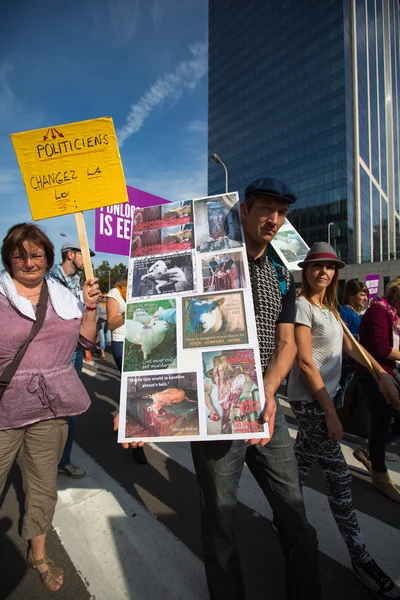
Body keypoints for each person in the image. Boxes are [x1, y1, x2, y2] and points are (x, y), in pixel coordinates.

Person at [191, 178, 322, 600]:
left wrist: (266, 390)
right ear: (244, 210)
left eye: (281, 213)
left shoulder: (283, 273)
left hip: (265, 408)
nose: (274, 219)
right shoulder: (206, 261)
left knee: (295, 514)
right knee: (221, 520)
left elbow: (287, 343)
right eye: (267, 209)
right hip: (217, 411)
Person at [287, 242, 400, 599]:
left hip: (325, 402)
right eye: (317, 266)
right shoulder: (302, 305)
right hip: (312, 404)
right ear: (306, 270)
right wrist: (331, 413)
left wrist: (380, 373)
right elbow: (305, 363)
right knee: (339, 482)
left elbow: (353, 347)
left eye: (330, 266)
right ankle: (361, 557)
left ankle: (284, 514)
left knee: (298, 467)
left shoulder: (331, 308)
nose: (324, 271)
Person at [0, 223, 99, 592]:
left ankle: (37, 553)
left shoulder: (61, 295)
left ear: (48, 258)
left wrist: (90, 306)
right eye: (20, 254)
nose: (29, 261)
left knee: (42, 488)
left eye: (37, 254)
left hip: (49, 410)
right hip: (4, 411)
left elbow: (86, 339)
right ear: (8, 258)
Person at [49, 240, 95, 478]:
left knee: (71, 406)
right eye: (84, 255)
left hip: (74, 350)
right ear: (70, 255)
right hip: (53, 352)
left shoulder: (80, 282)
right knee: (49, 406)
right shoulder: (48, 279)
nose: (88, 261)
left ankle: (63, 460)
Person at [355, 277, 400, 503]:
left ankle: (371, 449)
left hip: (387, 373)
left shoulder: (394, 315)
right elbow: (383, 349)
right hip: (373, 374)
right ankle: (380, 476)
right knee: (382, 421)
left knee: (387, 423)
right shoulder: (379, 312)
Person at [107, 280, 147, 465]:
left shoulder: (143, 288)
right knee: (133, 390)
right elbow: (111, 323)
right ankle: (136, 441)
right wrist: (129, 310)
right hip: (122, 344)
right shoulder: (116, 292)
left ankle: (135, 434)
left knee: (140, 389)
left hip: (140, 343)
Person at [96, 294, 111, 360]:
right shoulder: (98, 305)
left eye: (106, 297)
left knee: (108, 340)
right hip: (100, 323)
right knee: (102, 339)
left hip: (107, 323)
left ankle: (101, 347)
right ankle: (102, 354)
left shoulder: (109, 305)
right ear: (101, 298)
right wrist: (94, 325)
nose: (104, 298)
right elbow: (97, 315)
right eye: (103, 297)